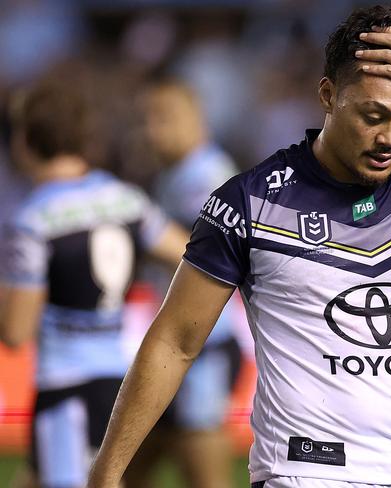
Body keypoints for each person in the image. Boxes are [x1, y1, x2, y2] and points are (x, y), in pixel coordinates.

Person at [88, 5, 391, 488]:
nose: (390, 138)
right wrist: (106, 476)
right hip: (303, 472)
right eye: (373, 115)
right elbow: (174, 341)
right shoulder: (250, 201)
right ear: (328, 95)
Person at [0, 75, 188, 488]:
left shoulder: (32, 221)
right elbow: (191, 255)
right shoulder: (123, 198)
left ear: (25, 141)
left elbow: (15, 331)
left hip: (66, 387)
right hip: (120, 382)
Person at [122, 79, 242, 488]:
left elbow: (208, 257)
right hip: (175, 344)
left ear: (197, 120)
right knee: (127, 466)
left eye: (164, 118)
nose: (153, 130)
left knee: (203, 476)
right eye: (146, 120)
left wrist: (143, 229)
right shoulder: (174, 176)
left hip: (202, 348)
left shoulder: (208, 176)